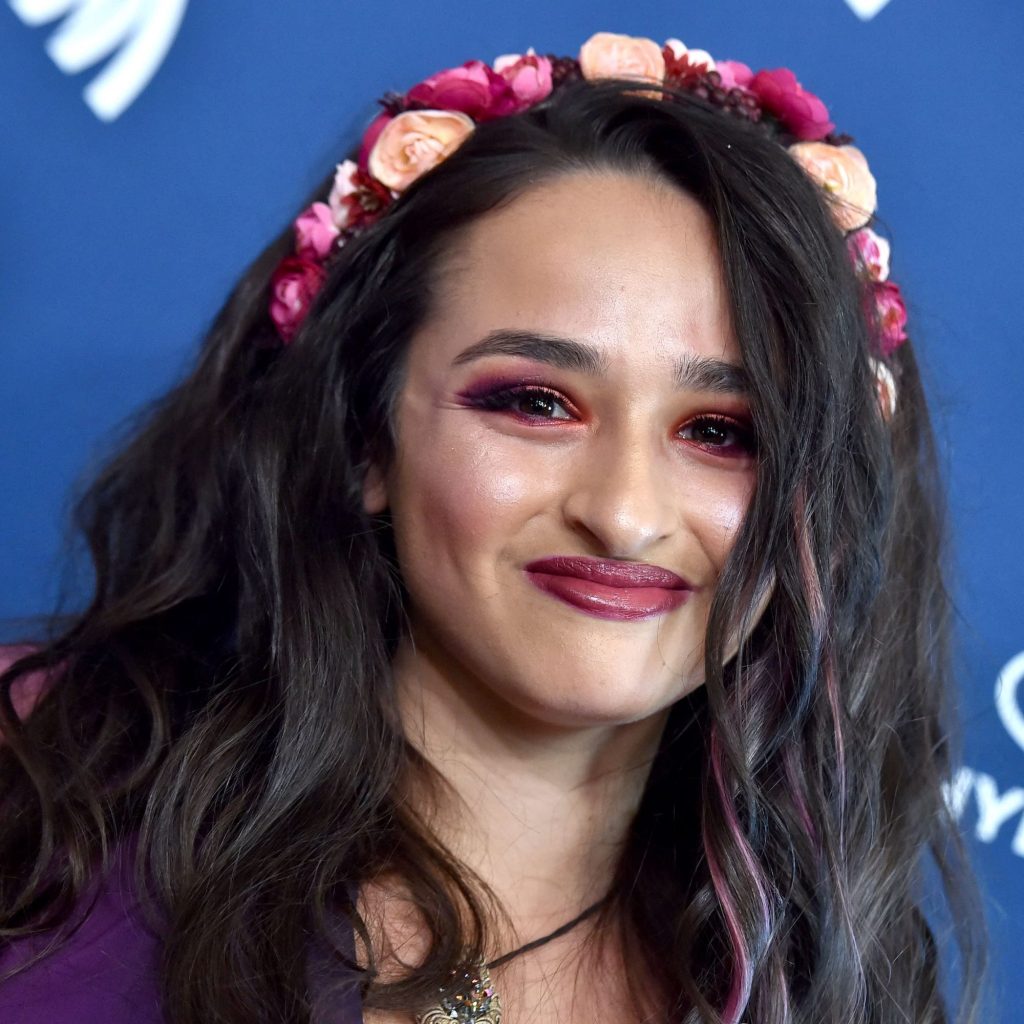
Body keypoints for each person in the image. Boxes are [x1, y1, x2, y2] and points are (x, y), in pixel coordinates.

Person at [0, 29, 985, 1024]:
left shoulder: (835, 991)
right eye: (535, 403)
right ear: (364, 437)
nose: (624, 513)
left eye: (722, 431)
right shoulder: (38, 816)